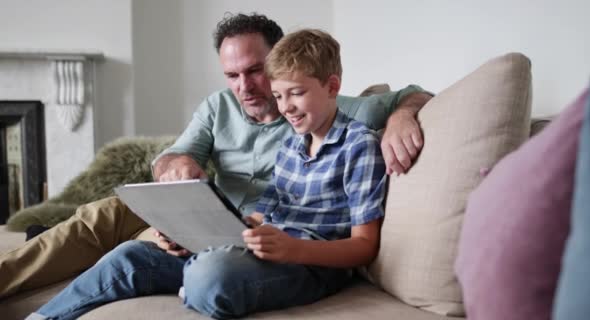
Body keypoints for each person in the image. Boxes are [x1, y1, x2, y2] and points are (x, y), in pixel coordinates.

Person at [0, 12, 431, 299]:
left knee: (134, 254)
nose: (244, 86)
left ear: (278, 62)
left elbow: (414, 94)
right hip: (210, 214)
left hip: (256, 234)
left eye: (255, 70)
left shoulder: (323, 108)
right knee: (101, 215)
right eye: (232, 75)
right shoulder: (217, 108)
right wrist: (177, 169)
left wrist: (401, 117)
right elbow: (171, 157)